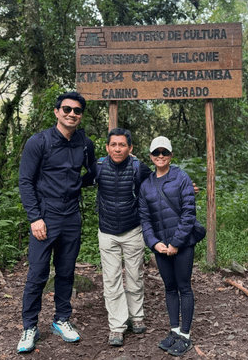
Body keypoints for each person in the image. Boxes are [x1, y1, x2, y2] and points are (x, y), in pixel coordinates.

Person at [16, 91, 96, 353]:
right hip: (45, 216)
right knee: (37, 273)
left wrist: (77, 187)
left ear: (81, 115)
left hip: (71, 216)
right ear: (56, 111)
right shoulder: (39, 142)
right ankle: (30, 326)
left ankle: (61, 320)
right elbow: (26, 181)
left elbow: (93, 172)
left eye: (77, 110)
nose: (71, 113)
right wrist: (35, 217)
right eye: (66, 109)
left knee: (66, 271)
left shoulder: (85, 143)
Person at [138, 136, 200, 357]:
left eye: (165, 152)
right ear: (151, 156)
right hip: (160, 247)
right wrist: (154, 243)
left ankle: (185, 334)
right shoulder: (146, 184)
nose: (160, 156)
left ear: (171, 155)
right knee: (169, 288)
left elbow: (188, 214)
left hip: (182, 244)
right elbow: (144, 219)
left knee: (184, 287)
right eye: (156, 153)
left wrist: (175, 243)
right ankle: (174, 329)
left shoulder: (181, 178)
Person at [94, 127, 152, 347]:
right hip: (107, 231)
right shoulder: (98, 167)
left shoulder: (138, 167)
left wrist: (185, 187)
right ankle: (117, 326)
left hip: (132, 230)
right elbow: (74, 182)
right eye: (114, 145)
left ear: (130, 148)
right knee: (111, 280)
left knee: (135, 275)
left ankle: (136, 315)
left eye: (122, 145)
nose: (117, 148)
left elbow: (159, 180)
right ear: (107, 147)